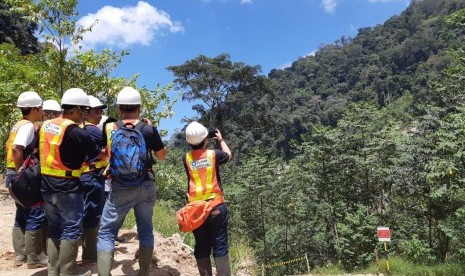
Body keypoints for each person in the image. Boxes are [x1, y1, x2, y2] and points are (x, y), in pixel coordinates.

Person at [97, 87, 167, 276]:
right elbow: (161, 156)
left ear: (120, 109)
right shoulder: (148, 129)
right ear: (140, 108)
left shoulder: (110, 127)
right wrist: (150, 132)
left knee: (106, 232)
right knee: (145, 230)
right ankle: (143, 273)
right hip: (146, 184)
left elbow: (105, 153)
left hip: (120, 186)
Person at [40, 88, 102, 276]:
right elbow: (95, 153)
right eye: (83, 111)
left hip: (46, 185)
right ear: (75, 110)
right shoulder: (76, 131)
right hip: (67, 187)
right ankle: (68, 271)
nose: (84, 115)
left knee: (54, 228)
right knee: (71, 228)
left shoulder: (46, 125)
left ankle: (53, 271)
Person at [5, 91, 48, 268]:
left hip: (10, 174)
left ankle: (21, 255)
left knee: (21, 213)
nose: (42, 111)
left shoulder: (17, 125)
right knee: (35, 213)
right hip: (19, 176)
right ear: (34, 108)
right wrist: (21, 172)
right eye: (40, 108)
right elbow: (16, 150)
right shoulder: (28, 126)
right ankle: (35, 258)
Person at [183, 121, 232, 276]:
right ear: (206, 139)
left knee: (202, 246)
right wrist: (221, 140)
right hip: (215, 207)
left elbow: (198, 159)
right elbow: (228, 156)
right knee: (220, 245)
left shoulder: (186, 158)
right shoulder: (214, 154)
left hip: (196, 209)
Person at [79, 95, 108, 262]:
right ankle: (90, 255)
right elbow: (110, 146)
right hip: (92, 177)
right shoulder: (93, 131)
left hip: (84, 176)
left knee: (84, 212)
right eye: (96, 111)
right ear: (86, 112)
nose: (99, 115)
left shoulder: (78, 128)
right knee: (92, 215)